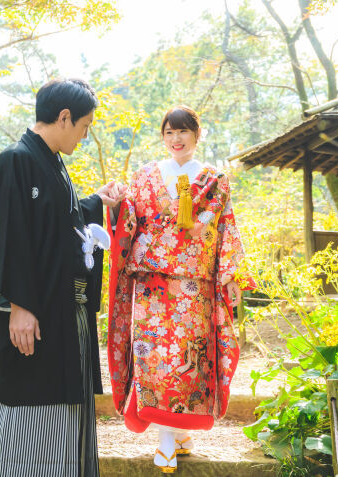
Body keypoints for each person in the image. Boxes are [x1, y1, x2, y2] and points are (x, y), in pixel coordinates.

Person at [0, 78, 123, 477]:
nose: (83, 135)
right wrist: (20, 306)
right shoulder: (15, 160)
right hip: (36, 313)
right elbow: (8, 235)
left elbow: (57, 224)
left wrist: (96, 202)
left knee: (65, 421)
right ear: (64, 117)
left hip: (63, 315)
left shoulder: (52, 163)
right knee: (31, 419)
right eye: (83, 127)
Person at [106, 105, 247, 473]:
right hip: (153, 285)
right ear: (163, 136)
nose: (176, 139)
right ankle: (166, 437)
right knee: (156, 358)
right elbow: (130, 220)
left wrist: (230, 276)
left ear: (197, 135)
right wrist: (117, 204)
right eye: (169, 132)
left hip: (193, 286)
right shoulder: (145, 175)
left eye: (183, 132)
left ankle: (181, 431)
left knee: (190, 360)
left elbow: (226, 227)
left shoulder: (214, 179)